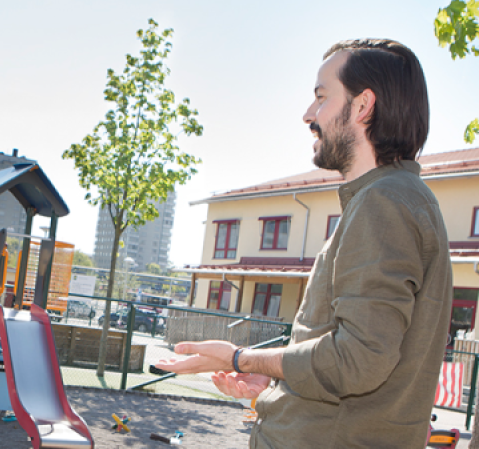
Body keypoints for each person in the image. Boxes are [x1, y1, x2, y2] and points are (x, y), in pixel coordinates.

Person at [156, 39, 453, 448]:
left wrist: (239, 357)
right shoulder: (395, 198)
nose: (308, 115)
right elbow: (362, 364)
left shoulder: (383, 203)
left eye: (321, 98)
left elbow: (357, 361)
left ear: (363, 105)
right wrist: (277, 379)